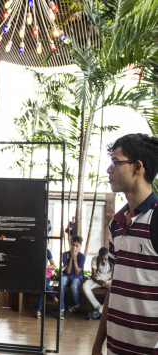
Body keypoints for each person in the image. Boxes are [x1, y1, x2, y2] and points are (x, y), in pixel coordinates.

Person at [92, 134, 158, 355]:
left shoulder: (156, 220)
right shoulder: (116, 225)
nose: (109, 170)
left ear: (138, 167)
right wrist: (98, 342)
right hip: (115, 347)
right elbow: (115, 287)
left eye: (116, 163)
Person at [60, 235, 85, 319]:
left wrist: (75, 258)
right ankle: (61, 309)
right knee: (62, 282)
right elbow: (68, 271)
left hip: (77, 277)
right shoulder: (65, 254)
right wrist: (71, 256)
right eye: (73, 245)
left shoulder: (82, 256)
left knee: (73, 286)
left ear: (80, 247)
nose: (74, 247)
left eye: (77, 246)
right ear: (70, 244)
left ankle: (76, 304)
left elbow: (78, 272)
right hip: (67, 275)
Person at [83, 247, 112, 320]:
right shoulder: (95, 259)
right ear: (99, 256)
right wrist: (98, 281)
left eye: (105, 258)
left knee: (116, 290)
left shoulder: (112, 261)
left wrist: (107, 282)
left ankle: (99, 311)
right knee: (85, 286)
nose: (104, 260)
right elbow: (93, 276)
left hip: (108, 281)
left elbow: (114, 276)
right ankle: (99, 307)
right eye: (102, 258)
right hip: (97, 280)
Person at [36, 247, 58, 318]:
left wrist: (45, 266)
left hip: (45, 275)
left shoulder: (47, 251)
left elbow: (53, 266)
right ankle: (53, 298)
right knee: (42, 284)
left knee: (42, 284)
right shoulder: (35, 250)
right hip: (36, 276)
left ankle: (38, 311)